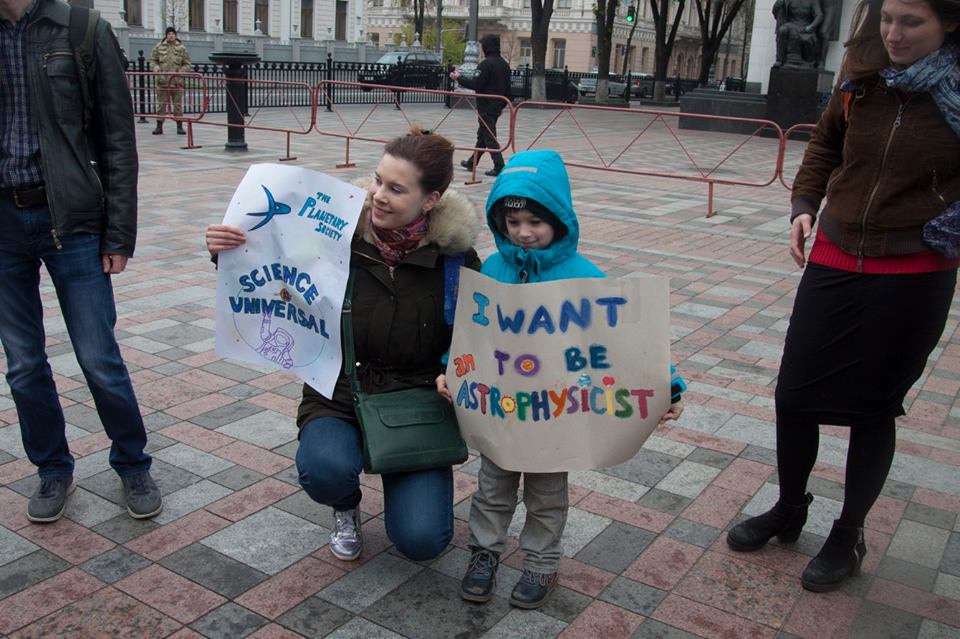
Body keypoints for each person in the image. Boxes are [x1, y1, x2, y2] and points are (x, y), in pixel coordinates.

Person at [727, 0, 959, 593]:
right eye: (888, 18)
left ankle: (847, 532)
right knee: (795, 394)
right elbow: (825, 148)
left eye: (912, 23)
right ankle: (789, 506)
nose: (894, 33)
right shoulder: (862, 80)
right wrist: (804, 207)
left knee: (873, 407)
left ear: (950, 23)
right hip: (835, 251)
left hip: (915, 266)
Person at [206, 128, 481, 562]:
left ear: (430, 200)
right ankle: (345, 506)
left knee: (422, 540)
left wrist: (457, 370)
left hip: (416, 401)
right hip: (338, 390)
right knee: (324, 470)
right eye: (377, 181)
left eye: (396, 188)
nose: (378, 196)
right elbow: (272, 260)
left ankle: (410, 493)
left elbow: (474, 336)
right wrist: (225, 250)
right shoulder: (334, 236)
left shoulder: (455, 260)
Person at [436, 150, 686, 609]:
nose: (523, 233)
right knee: (492, 488)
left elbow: (626, 339)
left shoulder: (584, 277)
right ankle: (484, 554)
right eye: (512, 223)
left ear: (558, 218)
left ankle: (541, 565)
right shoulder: (491, 271)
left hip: (556, 417)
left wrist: (668, 384)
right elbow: (470, 333)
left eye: (535, 221)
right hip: (502, 411)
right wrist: (451, 368)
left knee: (547, 496)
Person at [0, 0, 162, 522]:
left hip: (71, 219)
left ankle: (132, 463)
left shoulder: (81, 29)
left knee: (98, 356)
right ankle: (52, 468)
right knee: (23, 364)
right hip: (3, 222)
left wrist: (119, 233)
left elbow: (117, 138)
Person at [449, 34, 512, 177]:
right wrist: (502, 106)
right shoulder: (504, 65)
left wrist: (459, 78)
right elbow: (508, 91)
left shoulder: (486, 64)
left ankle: (499, 165)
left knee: (489, 136)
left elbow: (477, 84)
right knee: (483, 135)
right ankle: (472, 162)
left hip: (486, 106)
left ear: (486, 47)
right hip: (497, 106)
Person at [149, 26, 191, 135]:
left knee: (177, 105)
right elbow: (153, 61)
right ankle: (159, 127)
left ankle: (179, 127)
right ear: (166, 35)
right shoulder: (158, 47)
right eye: (169, 34)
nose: (171, 35)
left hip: (177, 82)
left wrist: (181, 71)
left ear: (175, 35)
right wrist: (157, 69)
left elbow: (187, 64)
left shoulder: (182, 48)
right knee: (161, 105)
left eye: (172, 34)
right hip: (162, 81)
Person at [772, 0, 825, 67]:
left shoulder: (813, 1)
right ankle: (779, 60)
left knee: (807, 38)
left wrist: (811, 27)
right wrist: (779, 3)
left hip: (805, 26)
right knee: (782, 30)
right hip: (791, 24)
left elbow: (819, 16)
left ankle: (799, 61)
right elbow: (775, 11)